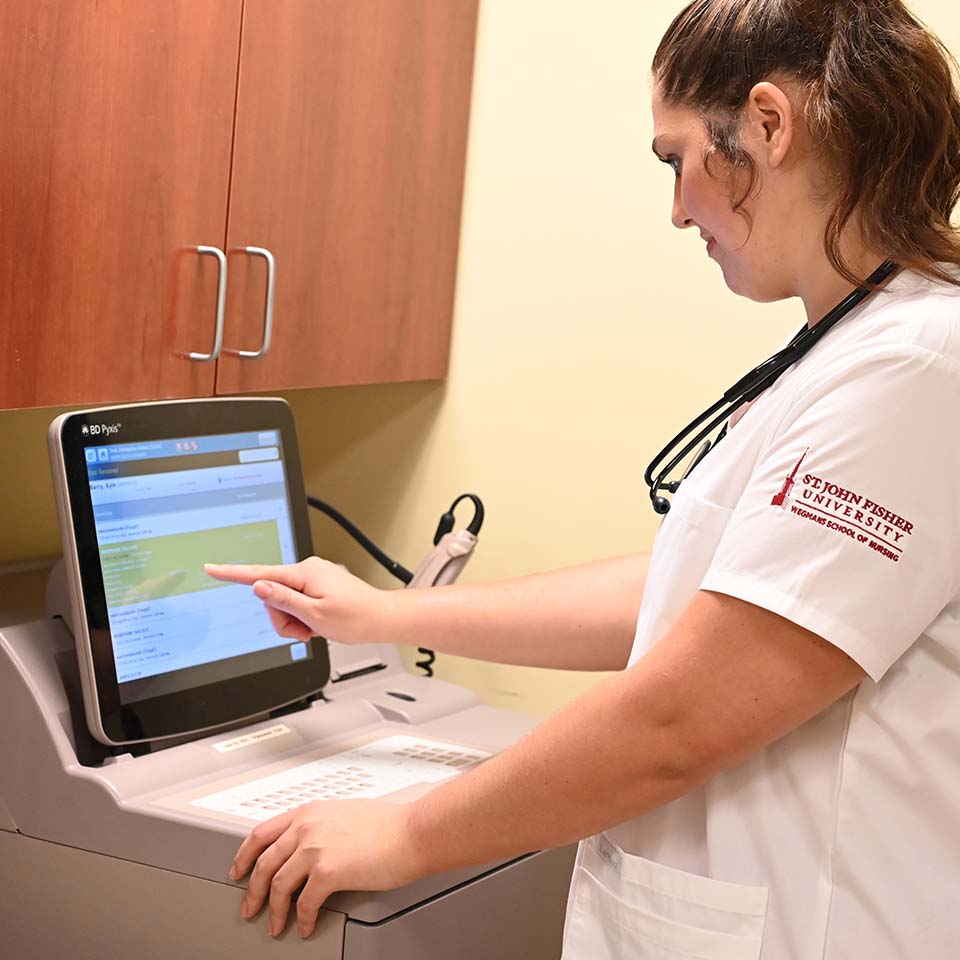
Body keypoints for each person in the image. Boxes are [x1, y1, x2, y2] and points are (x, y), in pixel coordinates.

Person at [204, 1, 960, 956]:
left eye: (676, 157)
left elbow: (679, 718)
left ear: (768, 126)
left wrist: (404, 831)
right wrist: (384, 614)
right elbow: (693, 600)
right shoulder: (857, 348)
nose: (678, 207)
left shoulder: (918, 367)